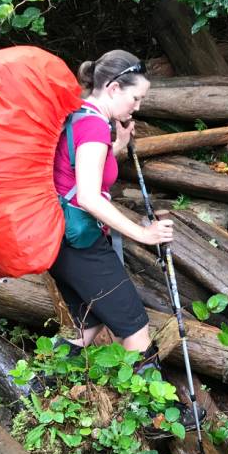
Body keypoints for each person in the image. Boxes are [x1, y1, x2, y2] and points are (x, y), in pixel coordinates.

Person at [48, 49, 171, 365]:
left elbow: (77, 169)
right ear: (114, 88)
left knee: (88, 325)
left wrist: (116, 145)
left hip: (60, 240)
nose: (138, 107)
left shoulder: (81, 116)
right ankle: (152, 411)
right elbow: (88, 196)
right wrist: (144, 235)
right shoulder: (94, 127)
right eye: (135, 98)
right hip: (82, 244)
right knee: (136, 329)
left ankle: (36, 384)